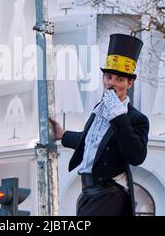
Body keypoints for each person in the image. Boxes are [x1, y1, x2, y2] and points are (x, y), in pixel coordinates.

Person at [50, 34, 149, 216]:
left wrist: (119, 116)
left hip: (109, 194)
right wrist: (62, 135)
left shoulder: (136, 119)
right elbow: (91, 141)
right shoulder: (98, 109)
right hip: (88, 193)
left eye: (119, 79)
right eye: (108, 77)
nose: (111, 84)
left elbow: (137, 156)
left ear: (130, 83)